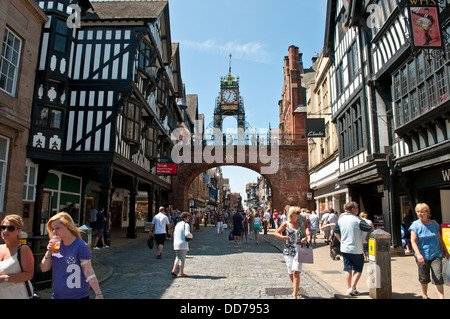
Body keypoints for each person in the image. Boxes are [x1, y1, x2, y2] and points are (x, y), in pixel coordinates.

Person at [40, 212, 103, 299]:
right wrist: (49, 251)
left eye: (58, 228)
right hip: (57, 296)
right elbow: (44, 268)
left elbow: (88, 270)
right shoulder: (56, 245)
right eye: (53, 229)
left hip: (78, 296)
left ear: (68, 226)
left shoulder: (80, 246)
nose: (54, 232)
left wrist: (98, 293)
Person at [409, 203, 450, 299]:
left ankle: (441, 297)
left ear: (427, 212)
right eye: (418, 212)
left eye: (422, 211)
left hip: (436, 254)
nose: (420, 214)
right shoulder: (415, 225)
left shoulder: (434, 224)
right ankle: (425, 295)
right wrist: (418, 255)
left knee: (438, 277)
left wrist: (446, 252)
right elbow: (413, 241)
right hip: (422, 255)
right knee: (424, 277)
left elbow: (440, 239)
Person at [333, 201, 373, 296]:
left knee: (347, 269)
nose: (358, 210)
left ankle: (348, 288)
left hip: (344, 248)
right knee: (358, 269)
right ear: (353, 209)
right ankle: (353, 287)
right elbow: (369, 228)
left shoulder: (341, 219)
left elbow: (335, 231)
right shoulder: (357, 220)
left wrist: (341, 241)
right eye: (357, 208)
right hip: (356, 248)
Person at [274, 206, 307, 299]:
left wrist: (305, 239)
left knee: (296, 271)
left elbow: (305, 235)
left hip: (299, 250)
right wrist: (283, 237)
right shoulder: (286, 224)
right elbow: (276, 232)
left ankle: (295, 294)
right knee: (290, 272)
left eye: (299, 213)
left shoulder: (301, 224)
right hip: (288, 250)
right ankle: (296, 286)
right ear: (291, 214)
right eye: (297, 213)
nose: (298, 215)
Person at [0, 214, 34, 299]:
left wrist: (5, 278)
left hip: (17, 295)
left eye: (10, 228)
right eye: (3, 227)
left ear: (18, 231)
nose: (5, 231)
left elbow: (29, 275)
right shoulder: (0, 248)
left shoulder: (23, 249)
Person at [171, 212, 193, 277]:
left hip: (176, 243)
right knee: (182, 258)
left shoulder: (178, 224)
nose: (189, 219)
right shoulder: (186, 225)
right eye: (188, 217)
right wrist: (191, 236)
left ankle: (174, 269)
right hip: (182, 243)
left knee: (177, 257)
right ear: (184, 218)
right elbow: (187, 234)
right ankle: (181, 272)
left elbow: (174, 233)